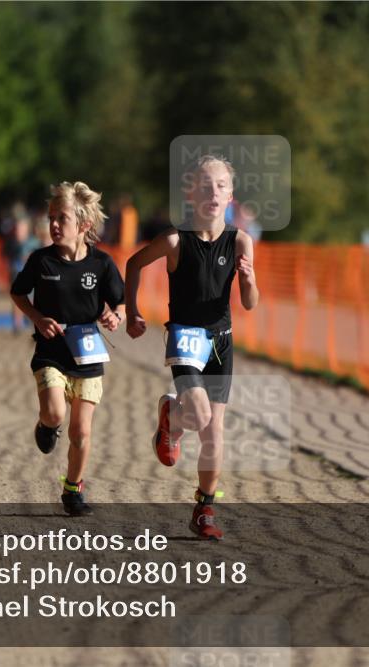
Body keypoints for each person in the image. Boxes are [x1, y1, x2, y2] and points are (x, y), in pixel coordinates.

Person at [125, 155, 259, 540]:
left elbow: (250, 302)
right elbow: (133, 264)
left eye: (219, 185)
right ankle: (175, 414)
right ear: (190, 193)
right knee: (201, 417)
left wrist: (248, 280)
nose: (212, 192)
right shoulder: (173, 240)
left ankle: (204, 507)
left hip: (221, 341)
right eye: (204, 185)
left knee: (214, 433)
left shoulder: (241, 241)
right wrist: (133, 312)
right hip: (184, 336)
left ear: (230, 194)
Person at [10, 182, 125, 517]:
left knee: (81, 432)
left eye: (62, 218)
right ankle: (46, 425)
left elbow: (120, 302)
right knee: (57, 414)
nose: (54, 225)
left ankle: (73, 489)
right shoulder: (40, 261)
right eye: (51, 218)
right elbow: (18, 293)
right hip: (50, 353)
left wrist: (115, 316)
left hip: (88, 356)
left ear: (84, 225)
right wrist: (36, 317)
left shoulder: (102, 265)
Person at [5, 216, 42, 333]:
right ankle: (17, 324)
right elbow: (7, 256)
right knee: (16, 298)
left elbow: (40, 256)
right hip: (16, 273)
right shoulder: (11, 242)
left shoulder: (34, 242)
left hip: (32, 275)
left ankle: (33, 324)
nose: (18, 231)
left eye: (21, 228)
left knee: (33, 300)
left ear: (27, 229)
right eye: (17, 228)